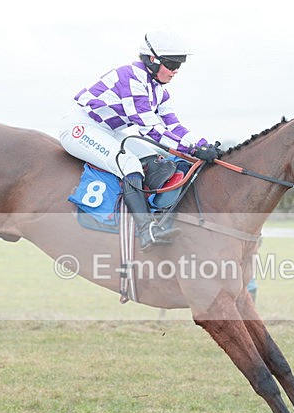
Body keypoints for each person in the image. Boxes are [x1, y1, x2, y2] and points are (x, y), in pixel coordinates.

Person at [59, 30, 219, 251]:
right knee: (130, 164)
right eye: (172, 64)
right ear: (152, 60)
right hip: (81, 127)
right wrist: (191, 149)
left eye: (179, 65)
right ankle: (146, 230)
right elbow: (151, 130)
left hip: (109, 131)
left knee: (155, 159)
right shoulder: (131, 77)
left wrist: (202, 145)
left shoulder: (159, 92)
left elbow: (174, 126)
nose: (175, 71)